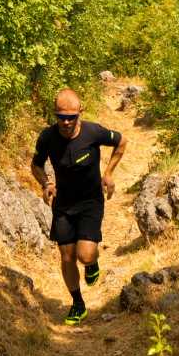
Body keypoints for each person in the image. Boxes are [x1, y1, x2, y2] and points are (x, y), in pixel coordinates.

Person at [30, 87, 126, 325]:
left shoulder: (93, 132)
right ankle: (78, 304)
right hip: (63, 204)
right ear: (55, 114)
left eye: (71, 117)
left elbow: (122, 141)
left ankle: (92, 263)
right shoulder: (48, 137)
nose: (65, 122)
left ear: (79, 113)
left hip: (91, 202)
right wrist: (46, 183)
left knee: (84, 255)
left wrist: (109, 173)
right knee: (66, 256)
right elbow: (36, 165)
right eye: (60, 116)